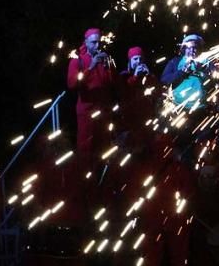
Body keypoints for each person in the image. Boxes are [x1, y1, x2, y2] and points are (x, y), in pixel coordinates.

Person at [67, 28, 117, 173]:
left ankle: (102, 182)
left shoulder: (106, 60)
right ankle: (84, 181)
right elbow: (72, 83)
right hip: (86, 114)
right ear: (86, 43)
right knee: (86, 149)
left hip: (104, 113)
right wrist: (91, 67)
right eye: (94, 42)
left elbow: (114, 84)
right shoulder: (78, 61)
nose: (97, 46)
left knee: (104, 149)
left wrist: (110, 69)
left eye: (99, 42)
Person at [161, 34, 213, 111]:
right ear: (184, 49)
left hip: (200, 107)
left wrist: (203, 71)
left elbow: (215, 79)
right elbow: (164, 80)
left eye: (195, 48)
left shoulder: (206, 62)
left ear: (199, 49)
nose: (192, 50)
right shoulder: (175, 61)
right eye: (189, 48)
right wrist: (181, 72)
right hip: (178, 107)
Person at [118, 46, 158, 143]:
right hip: (130, 118)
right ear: (130, 60)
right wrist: (135, 76)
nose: (138, 61)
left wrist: (149, 76)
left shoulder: (148, 75)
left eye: (141, 59)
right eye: (135, 59)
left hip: (146, 117)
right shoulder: (124, 75)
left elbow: (156, 91)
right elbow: (125, 91)